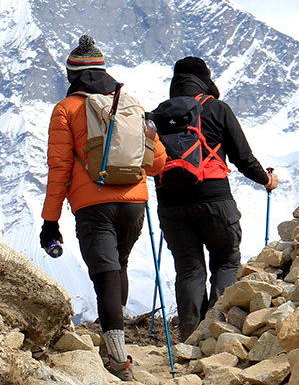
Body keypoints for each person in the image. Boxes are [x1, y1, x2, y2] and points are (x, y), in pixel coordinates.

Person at [39, 35, 166, 381]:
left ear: (72, 76)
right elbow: (157, 163)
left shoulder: (66, 110)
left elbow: (59, 169)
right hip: (134, 203)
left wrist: (50, 221)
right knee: (118, 267)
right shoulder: (130, 102)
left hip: (93, 205)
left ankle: (118, 359)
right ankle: (115, 343)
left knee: (105, 274)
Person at [150, 56, 278, 341]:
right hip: (214, 196)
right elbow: (242, 158)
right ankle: (216, 336)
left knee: (189, 269)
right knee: (226, 262)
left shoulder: (158, 115)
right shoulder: (217, 109)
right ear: (205, 78)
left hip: (170, 200)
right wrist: (266, 179)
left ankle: (189, 338)